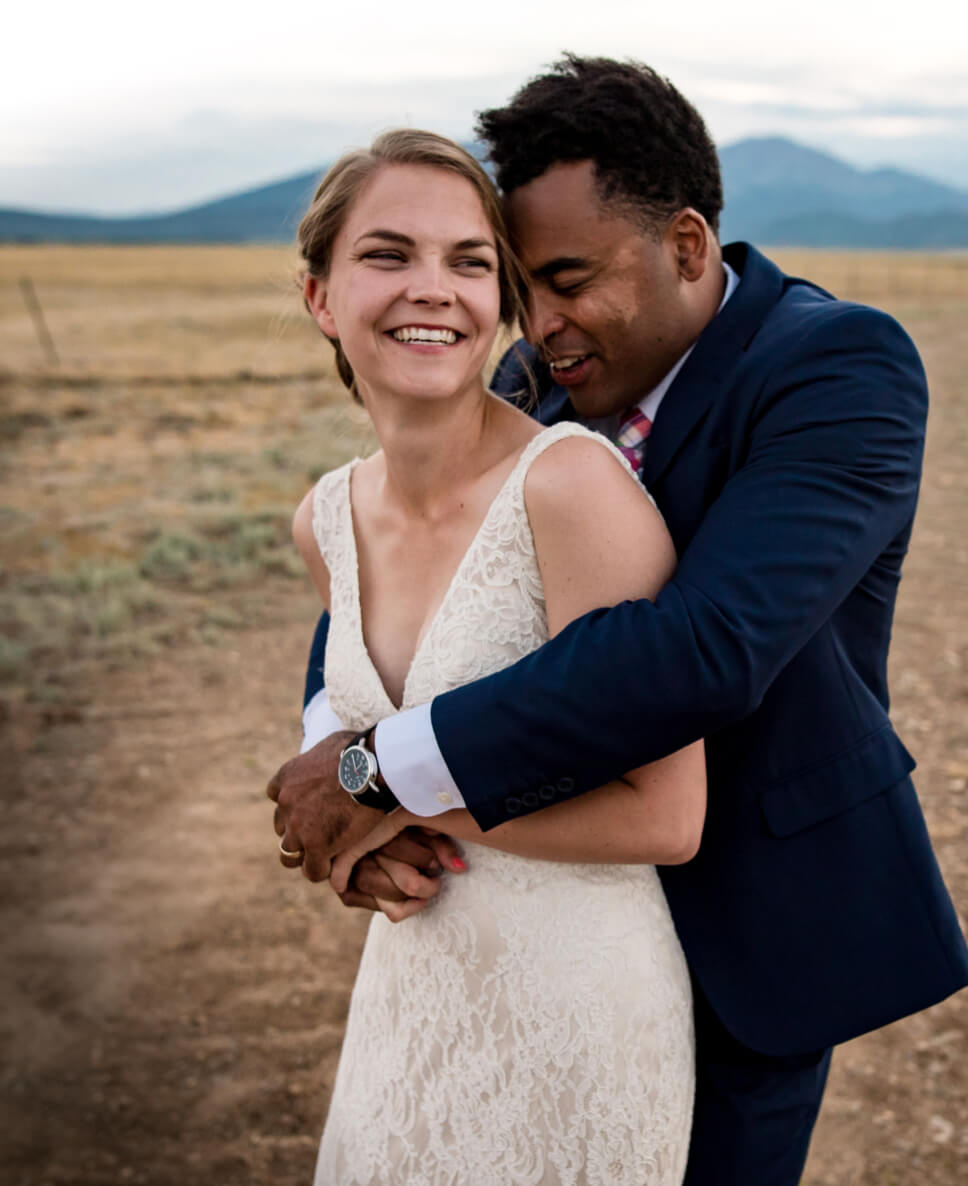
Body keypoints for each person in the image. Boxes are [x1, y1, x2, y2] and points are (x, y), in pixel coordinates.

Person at [270, 57, 968, 1186]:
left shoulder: (836, 366)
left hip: (753, 908)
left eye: (564, 278)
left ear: (685, 247)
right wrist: (339, 751)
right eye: (518, 281)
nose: (536, 322)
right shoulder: (539, 375)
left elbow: (706, 646)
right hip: (533, 912)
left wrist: (377, 770)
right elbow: (410, 565)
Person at [286, 127, 706, 1185]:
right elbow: (347, 732)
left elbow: (665, 816)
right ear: (321, 298)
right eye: (387, 255)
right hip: (410, 993)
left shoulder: (569, 489)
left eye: (469, 262)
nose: (433, 289)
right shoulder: (323, 518)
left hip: (576, 1011)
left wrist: (386, 795)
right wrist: (356, 826)